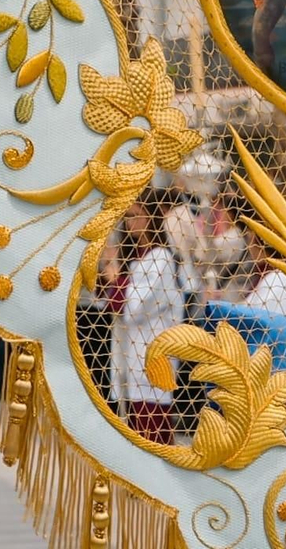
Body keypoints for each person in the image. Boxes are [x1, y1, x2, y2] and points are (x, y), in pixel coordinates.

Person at [100, 189, 185, 444]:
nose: (130, 222)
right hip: (129, 360)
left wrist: (114, 278)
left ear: (151, 217)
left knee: (153, 439)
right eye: (127, 216)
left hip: (152, 364)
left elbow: (134, 310)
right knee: (133, 438)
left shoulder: (161, 258)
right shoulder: (134, 258)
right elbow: (108, 304)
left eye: (137, 215)